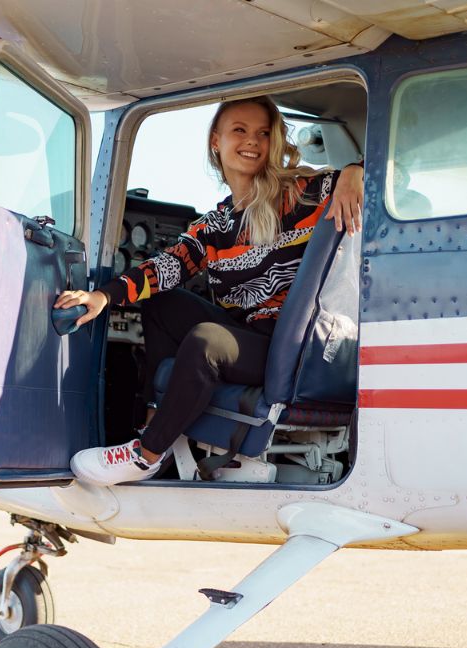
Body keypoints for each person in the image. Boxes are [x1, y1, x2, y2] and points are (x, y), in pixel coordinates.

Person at [54, 95, 365, 486]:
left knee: (207, 341)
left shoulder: (304, 193)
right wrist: (103, 296)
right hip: (249, 336)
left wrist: (355, 170)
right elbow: (169, 265)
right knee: (161, 303)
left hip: (292, 344)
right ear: (216, 141)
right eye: (240, 130)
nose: (252, 141)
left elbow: (388, 172)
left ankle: (145, 455)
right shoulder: (217, 223)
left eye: (263, 133)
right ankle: (157, 424)